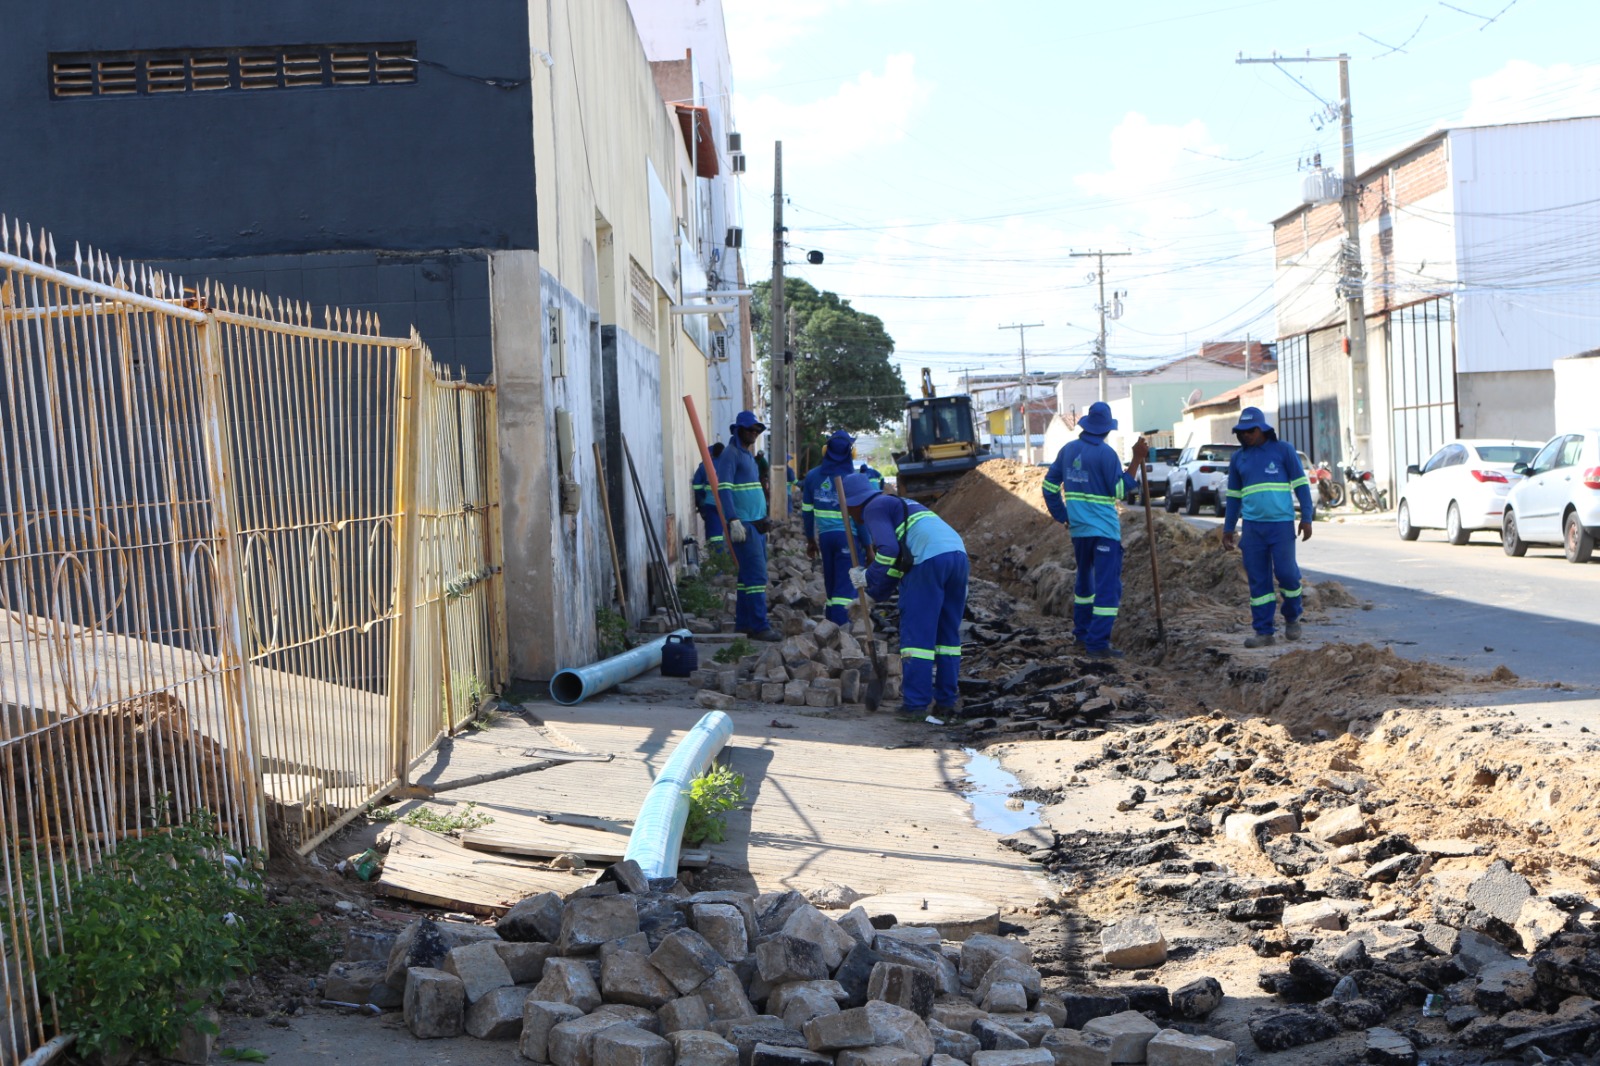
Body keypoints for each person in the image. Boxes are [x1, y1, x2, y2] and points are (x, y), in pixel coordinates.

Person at [842, 473, 969, 720]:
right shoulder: (899, 505)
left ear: (854, 504)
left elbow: (888, 551)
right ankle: (946, 702)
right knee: (947, 638)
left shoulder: (873, 508)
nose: (850, 516)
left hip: (929, 561)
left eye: (848, 510)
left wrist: (867, 575)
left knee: (917, 638)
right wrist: (871, 597)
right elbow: (898, 563)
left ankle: (916, 705)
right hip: (957, 556)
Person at [1041, 401, 1149, 658]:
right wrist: (1136, 459)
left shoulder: (1068, 450)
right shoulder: (1106, 454)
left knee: (1085, 582)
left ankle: (1082, 635)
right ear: (1106, 429)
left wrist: (1063, 515)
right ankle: (1098, 644)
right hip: (1104, 532)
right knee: (1108, 587)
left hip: (1079, 532)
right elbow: (1121, 491)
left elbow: (1049, 487)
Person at [1220, 406, 1314, 648]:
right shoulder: (1238, 458)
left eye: (1250, 431)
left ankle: (1292, 615)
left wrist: (1307, 517)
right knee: (1259, 583)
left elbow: (1302, 485)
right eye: (1241, 432)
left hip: (1281, 526)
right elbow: (1233, 497)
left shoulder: (1283, 450)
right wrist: (1228, 528)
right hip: (1252, 528)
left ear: (1262, 429)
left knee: (1287, 574)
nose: (1245, 436)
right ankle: (1264, 632)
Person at [715, 411, 779, 641]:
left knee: (746, 579)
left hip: (755, 524)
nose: (754, 433)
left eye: (757, 430)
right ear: (738, 430)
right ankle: (760, 625)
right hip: (744, 525)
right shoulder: (731, 455)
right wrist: (732, 520)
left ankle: (744, 624)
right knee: (756, 577)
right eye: (750, 430)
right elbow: (724, 489)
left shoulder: (748, 456)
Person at [802, 431, 864, 626]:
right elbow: (861, 519)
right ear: (851, 453)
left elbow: (807, 513)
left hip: (825, 539)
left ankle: (829, 630)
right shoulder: (853, 480)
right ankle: (841, 632)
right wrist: (869, 547)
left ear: (825, 451)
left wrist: (811, 539)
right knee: (845, 588)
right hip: (848, 539)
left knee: (831, 584)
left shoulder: (812, 477)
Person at [690, 442, 726, 554]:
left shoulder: (704, 466)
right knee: (725, 532)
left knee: (713, 534)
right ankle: (728, 559)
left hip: (710, 503)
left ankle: (716, 560)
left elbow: (696, 484)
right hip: (726, 504)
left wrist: (703, 496)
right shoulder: (728, 465)